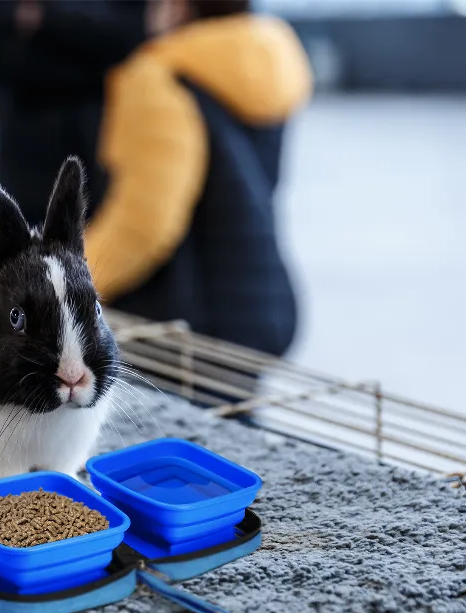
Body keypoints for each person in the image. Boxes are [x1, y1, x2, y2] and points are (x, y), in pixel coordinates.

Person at [85, 0, 313, 357]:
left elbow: (144, 225)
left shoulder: (159, 76)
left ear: (178, 8)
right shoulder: (268, 62)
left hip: (182, 323)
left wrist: (70, 278)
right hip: (256, 301)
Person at [0, 0, 149, 227]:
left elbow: (129, 39)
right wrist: (86, 61)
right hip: (25, 159)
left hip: (103, 153)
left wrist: (45, 21)